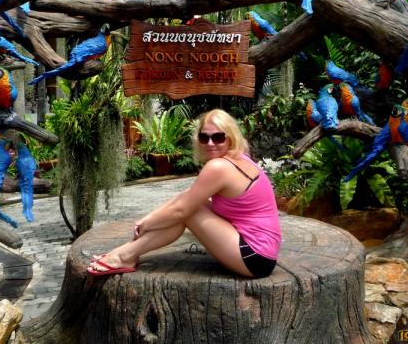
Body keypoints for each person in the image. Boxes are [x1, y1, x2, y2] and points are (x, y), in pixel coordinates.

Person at [87, 109, 282, 278]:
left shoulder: (219, 167)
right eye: (204, 137)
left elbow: (181, 210)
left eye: (218, 137)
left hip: (255, 257)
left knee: (189, 211)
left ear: (230, 138)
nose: (210, 143)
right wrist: (149, 218)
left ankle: (124, 256)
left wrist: (147, 224)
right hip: (261, 251)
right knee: (191, 200)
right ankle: (127, 253)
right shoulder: (239, 158)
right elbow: (186, 197)